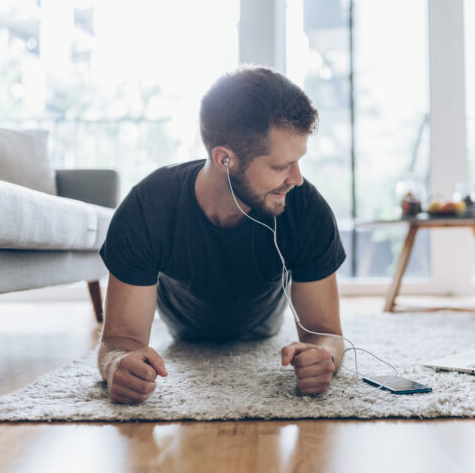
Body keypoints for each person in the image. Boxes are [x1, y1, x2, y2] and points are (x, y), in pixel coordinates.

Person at [97, 66, 346, 405]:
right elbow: (119, 340)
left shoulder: (305, 209)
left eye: (298, 161)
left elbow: (326, 334)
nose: (296, 178)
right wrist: (117, 366)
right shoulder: (147, 207)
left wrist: (325, 357)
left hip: (263, 326)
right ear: (225, 158)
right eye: (279, 166)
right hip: (184, 331)